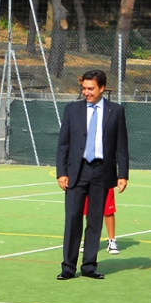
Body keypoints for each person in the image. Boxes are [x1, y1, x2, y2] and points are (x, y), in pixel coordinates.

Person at [56, 70, 129, 280]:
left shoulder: (116, 111)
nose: (86, 92)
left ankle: (89, 266)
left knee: (95, 220)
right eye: (84, 88)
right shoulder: (72, 110)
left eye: (91, 88)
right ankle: (68, 267)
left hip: (101, 171)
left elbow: (121, 145)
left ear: (102, 88)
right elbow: (63, 144)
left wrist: (122, 175)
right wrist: (62, 172)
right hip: (76, 172)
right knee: (73, 219)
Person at [82, 188, 119, 254]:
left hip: (106, 183)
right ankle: (91, 241)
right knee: (90, 209)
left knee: (108, 210)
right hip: (89, 183)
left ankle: (112, 240)